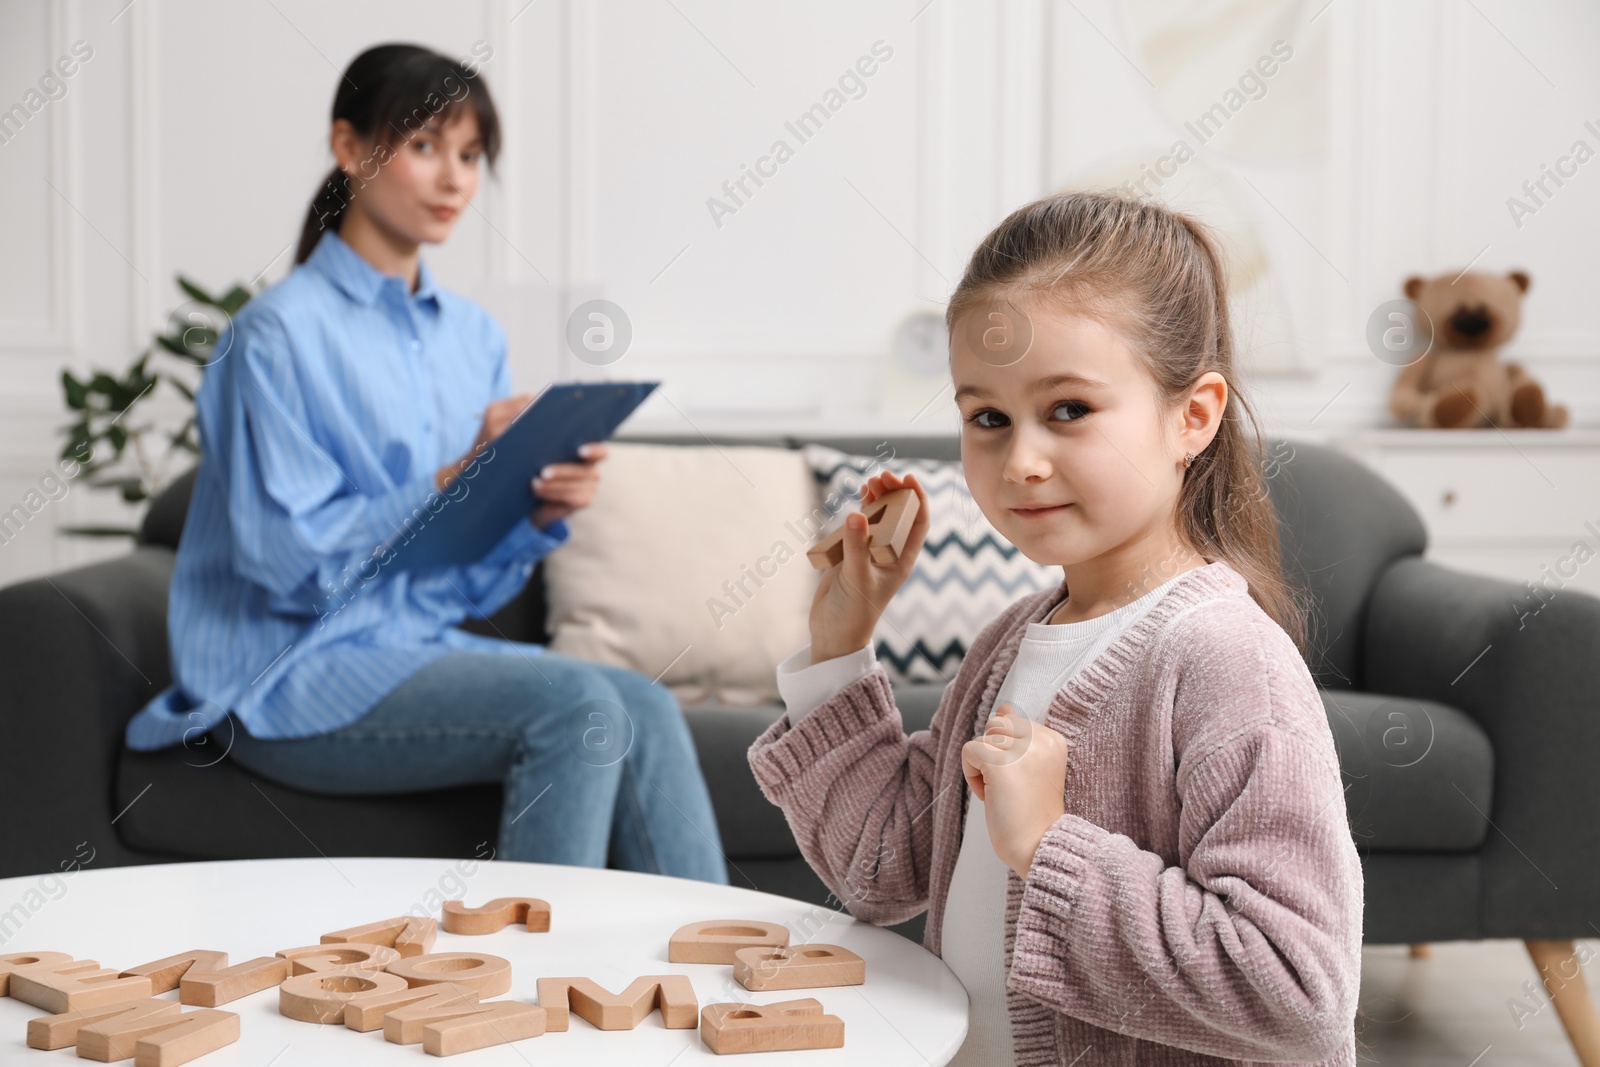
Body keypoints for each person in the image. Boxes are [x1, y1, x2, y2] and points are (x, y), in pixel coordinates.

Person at [748, 190, 1363, 1064]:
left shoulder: (1225, 659)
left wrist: (1048, 846)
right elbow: (884, 867)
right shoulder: (1012, 641)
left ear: (1193, 416)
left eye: (1068, 409)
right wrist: (839, 648)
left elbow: (1299, 990)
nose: (1022, 461)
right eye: (987, 418)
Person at [125, 43, 726, 883]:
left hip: (414, 647)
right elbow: (288, 566)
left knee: (647, 706)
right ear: (348, 148)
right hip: (282, 676)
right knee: (580, 705)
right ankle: (536, 994)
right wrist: (450, 479)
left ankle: (713, 983)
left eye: (472, 155)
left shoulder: (471, 336)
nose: (454, 179)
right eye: (424, 146)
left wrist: (531, 510)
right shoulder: (273, 336)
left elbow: (458, 588)